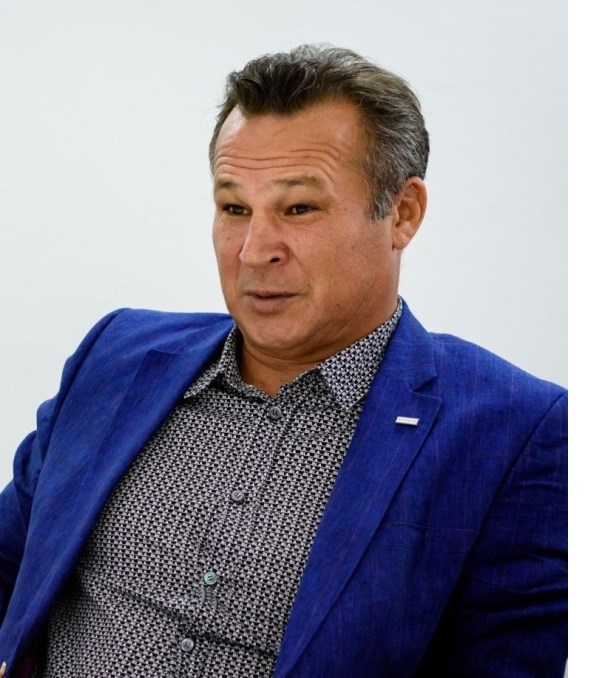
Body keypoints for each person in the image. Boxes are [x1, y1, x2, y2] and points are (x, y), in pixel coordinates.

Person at [0, 44, 567, 677]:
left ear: (402, 214)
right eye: (234, 208)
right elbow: (8, 561)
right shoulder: (116, 354)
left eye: (299, 208)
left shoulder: (514, 431)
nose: (253, 251)